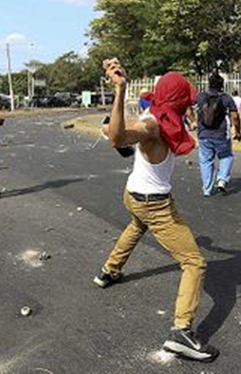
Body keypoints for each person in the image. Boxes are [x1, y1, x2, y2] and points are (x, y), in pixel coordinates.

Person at [93, 58, 218, 363]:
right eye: (186, 100)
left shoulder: (160, 114)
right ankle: (181, 332)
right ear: (176, 100)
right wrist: (120, 90)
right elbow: (119, 138)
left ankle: (109, 270)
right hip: (154, 203)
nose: (190, 105)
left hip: (134, 195)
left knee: (136, 227)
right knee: (194, 262)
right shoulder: (152, 124)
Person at [195, 74, 241, 196]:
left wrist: (191, 122)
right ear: (222, 85)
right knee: (226, 156)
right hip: (221, 135)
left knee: (206, 161)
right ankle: (222, 180)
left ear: (208, 83)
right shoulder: (226, 98)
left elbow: (188, 107)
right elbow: (235, 116)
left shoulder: (201, 96)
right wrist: (238, 131)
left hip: (203, 134)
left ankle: (207, 189)